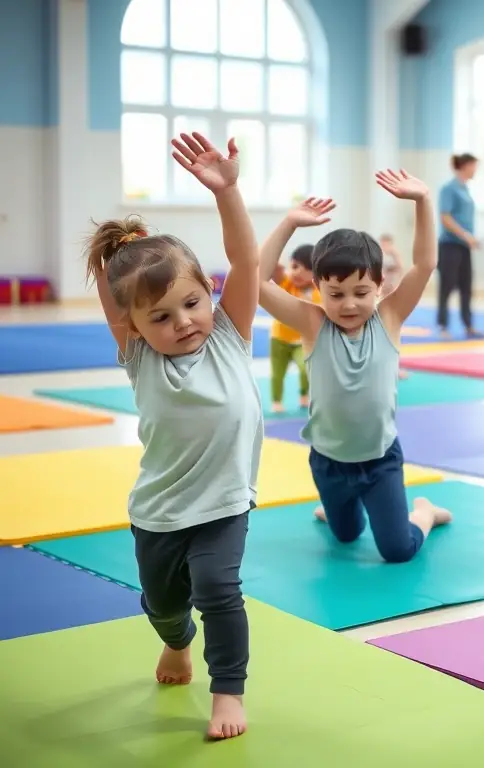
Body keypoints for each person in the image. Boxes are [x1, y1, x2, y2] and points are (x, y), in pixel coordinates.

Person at [84, 131, 263, 739]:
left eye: (191, 303)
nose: (182, 322)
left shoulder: (230, 335)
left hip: (223, 503)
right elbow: (116, 297)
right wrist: (114, 260)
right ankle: (176, 642)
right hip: (158, 510)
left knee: (219, 588)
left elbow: (246, 261)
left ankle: (228, 690)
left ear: (208, 293)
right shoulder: (139, 356)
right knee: (162, 605)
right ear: (131, 325)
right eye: (159, 316)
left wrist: (228, 191)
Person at [257, 168, 452, 563]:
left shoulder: (390, 317)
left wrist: (423, 200)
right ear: (317, 289)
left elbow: (426, 263)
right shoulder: (312, 323)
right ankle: (339, 510)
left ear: (380, 287)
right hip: (329, 463)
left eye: (361, 292)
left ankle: (424, 513)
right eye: (336, 293)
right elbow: (257, 282)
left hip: (379, 462)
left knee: (397, 550)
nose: (348, 304)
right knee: (346, 537)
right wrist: (290, 222)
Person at [264, 198, 336, 413]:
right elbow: (271, 268)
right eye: (292, 266)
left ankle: (304, 394)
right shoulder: (286, 282)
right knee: (278, 372)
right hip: (279, 338)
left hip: (303, 341)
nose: (293, 271)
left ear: (313, 272)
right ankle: (277, 399)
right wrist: (288, 223)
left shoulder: (317, 291)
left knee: (307, 368)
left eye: (299, 268)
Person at [437, 152, 481, 337]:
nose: (476, 170)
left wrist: (470, 238)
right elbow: (445, 218)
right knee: (447, 285)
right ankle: (443, 325)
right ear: (465, 166)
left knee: (466, 285)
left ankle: (468, 324)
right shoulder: (449, 188)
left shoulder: (466, 189)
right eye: (474, 166)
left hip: (464, 246)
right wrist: (465, 235)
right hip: (450, 245)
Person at [379, 233, 409, 379]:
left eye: (387, 243)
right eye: (383, 243)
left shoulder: (394, 256)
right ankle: (384, 368)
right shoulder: (378, 257)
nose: (385, 246)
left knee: (393, 335)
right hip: (380, 299)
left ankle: (393, 367)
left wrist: (395, 255)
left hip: (392, 298)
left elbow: (400, 271)